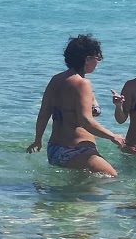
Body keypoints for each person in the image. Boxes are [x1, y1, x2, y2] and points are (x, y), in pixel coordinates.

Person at [27, 34, 128, 176]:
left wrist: (38, 140)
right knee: (113, 178)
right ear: (87, 59)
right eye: (97, 58)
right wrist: (113, 137)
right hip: (75, 150)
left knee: (80, 193)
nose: (98, 62)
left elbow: (44, 114)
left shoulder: (56, 79)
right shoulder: (82, 84)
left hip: (55, 150)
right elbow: (85, 121)